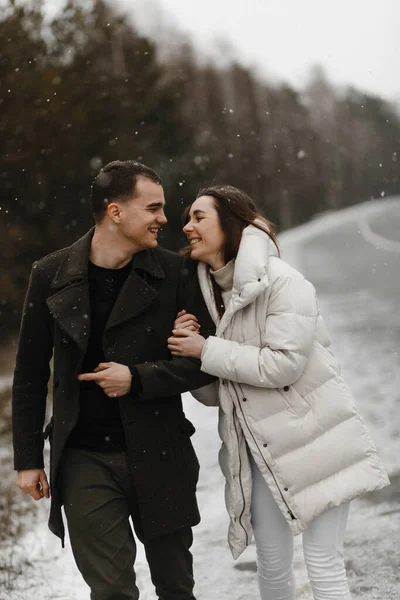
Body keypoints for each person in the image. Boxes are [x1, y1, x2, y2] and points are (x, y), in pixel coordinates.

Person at [167, 184, 390, 600]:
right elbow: (221, 395)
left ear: (230, 223)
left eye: (199, 217)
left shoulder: (284, 282)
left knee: (323, 563)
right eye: (187, 218)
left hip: (315, 440)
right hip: (261, 453)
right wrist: (192, 353)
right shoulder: (208, 296)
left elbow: (283, 365)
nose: (187, 227)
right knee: (271, 563)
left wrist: (208, 349)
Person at [12, 160, 216, 600]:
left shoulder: (175, 273)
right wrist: (28, 458)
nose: (165, 218)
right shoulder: (50, 274)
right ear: (116, 212)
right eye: (154, 208)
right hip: (83, 458)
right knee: (111, 591)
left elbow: (206, 361)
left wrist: (138, 379)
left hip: (160, 449)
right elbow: (29, 373)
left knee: (176, 587)